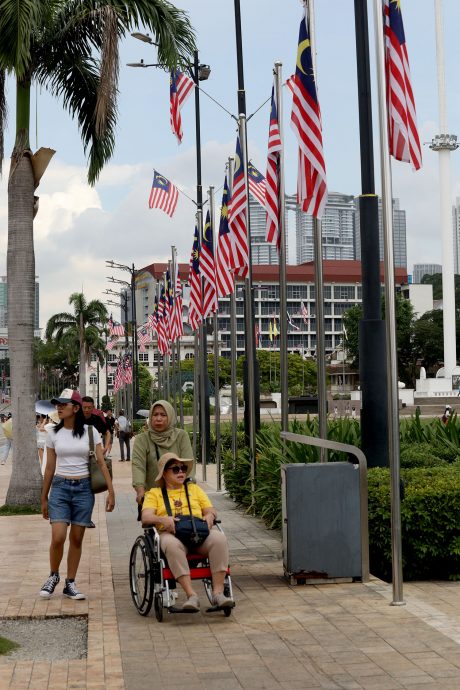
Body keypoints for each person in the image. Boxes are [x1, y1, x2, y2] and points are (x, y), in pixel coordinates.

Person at [40, 389, 115, 600]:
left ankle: (70, 583)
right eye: (58, 404)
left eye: (64, 404)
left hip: (84, 490)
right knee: (58, 537)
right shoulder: (53, 433)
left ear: (75, 408)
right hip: (60, 488)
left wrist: (111, 492)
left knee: (76, 538)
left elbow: (101, 463)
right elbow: (49, 469)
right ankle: (53, 575)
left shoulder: (91, 432)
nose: (59, 407)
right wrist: (44, 497)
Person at [142, 452, 234, 611]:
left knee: (219, 538)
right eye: (175, 469)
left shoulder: (194, 489)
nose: (181, 472)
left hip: (198, 533)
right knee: (171, 545)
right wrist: (162, 519)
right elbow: (146, 517)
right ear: (164, 473)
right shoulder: (154, 494)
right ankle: (192, 595)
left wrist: (210, 515)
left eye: (183, 468)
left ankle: (218, 594)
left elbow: (210, 508)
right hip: (171, 534)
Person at [132, 400, 193, 508]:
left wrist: (190, 488)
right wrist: (140, 490)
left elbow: (188, 464)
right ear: (150, 417)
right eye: (155, 414)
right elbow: (138, 466)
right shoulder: (142, 439)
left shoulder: (181, 436)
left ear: (170, 416)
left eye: (163, 415)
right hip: (153, 497)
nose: (158, 418)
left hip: (180, 497)